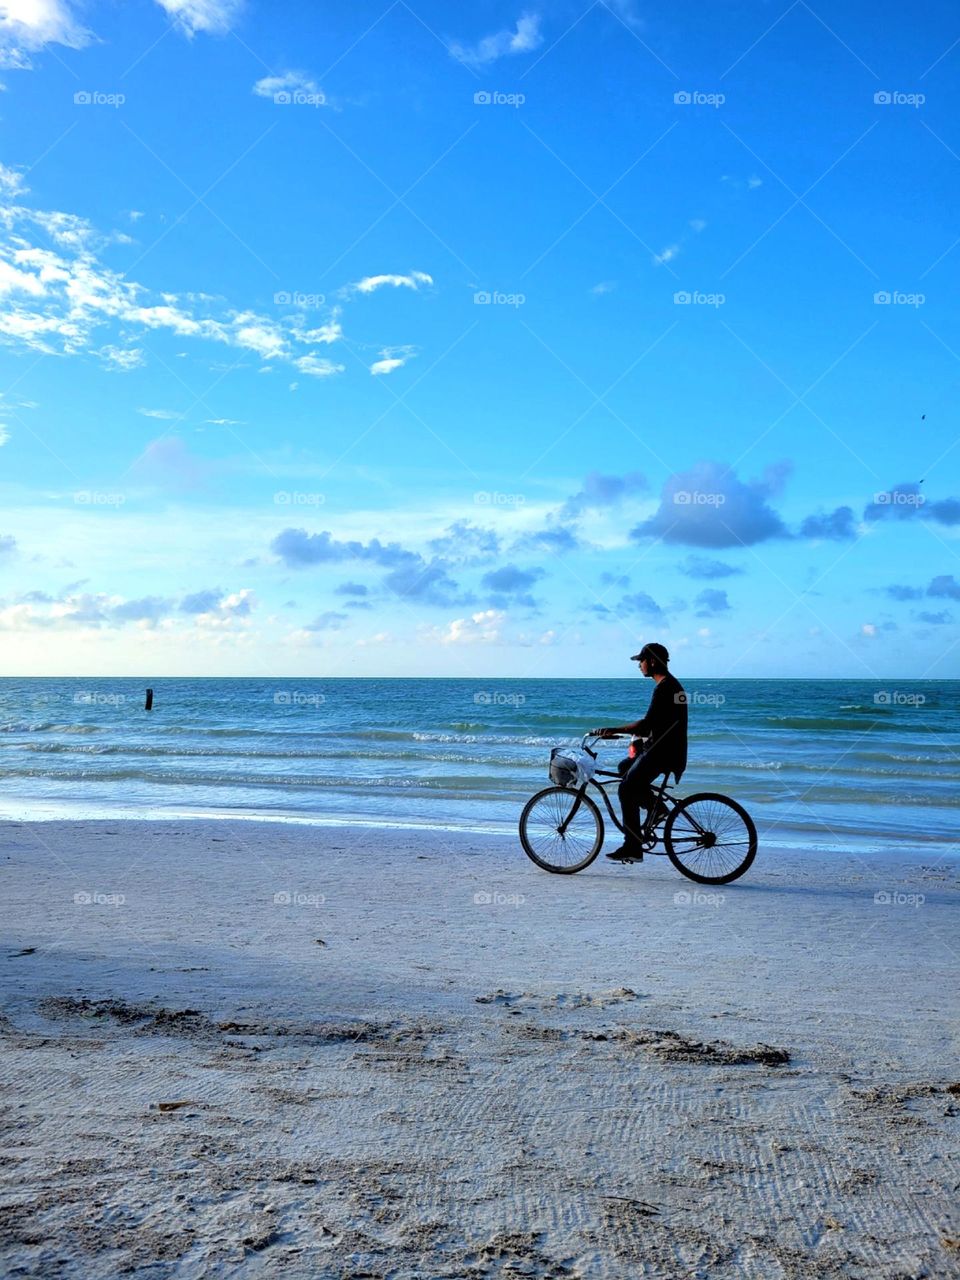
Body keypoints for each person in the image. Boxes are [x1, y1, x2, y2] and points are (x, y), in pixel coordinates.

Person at [590, 642, 688, 862]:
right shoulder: (670, 686)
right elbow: (658, 725)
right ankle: (657, 808)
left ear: (651, 661)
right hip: (665, 749)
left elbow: (647, 725)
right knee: (625, 767)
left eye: (641, 661)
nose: (639, 666)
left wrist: (614, 729)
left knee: (626, 789)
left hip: (663, 752)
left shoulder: (666, 688)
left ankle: (632, 846)